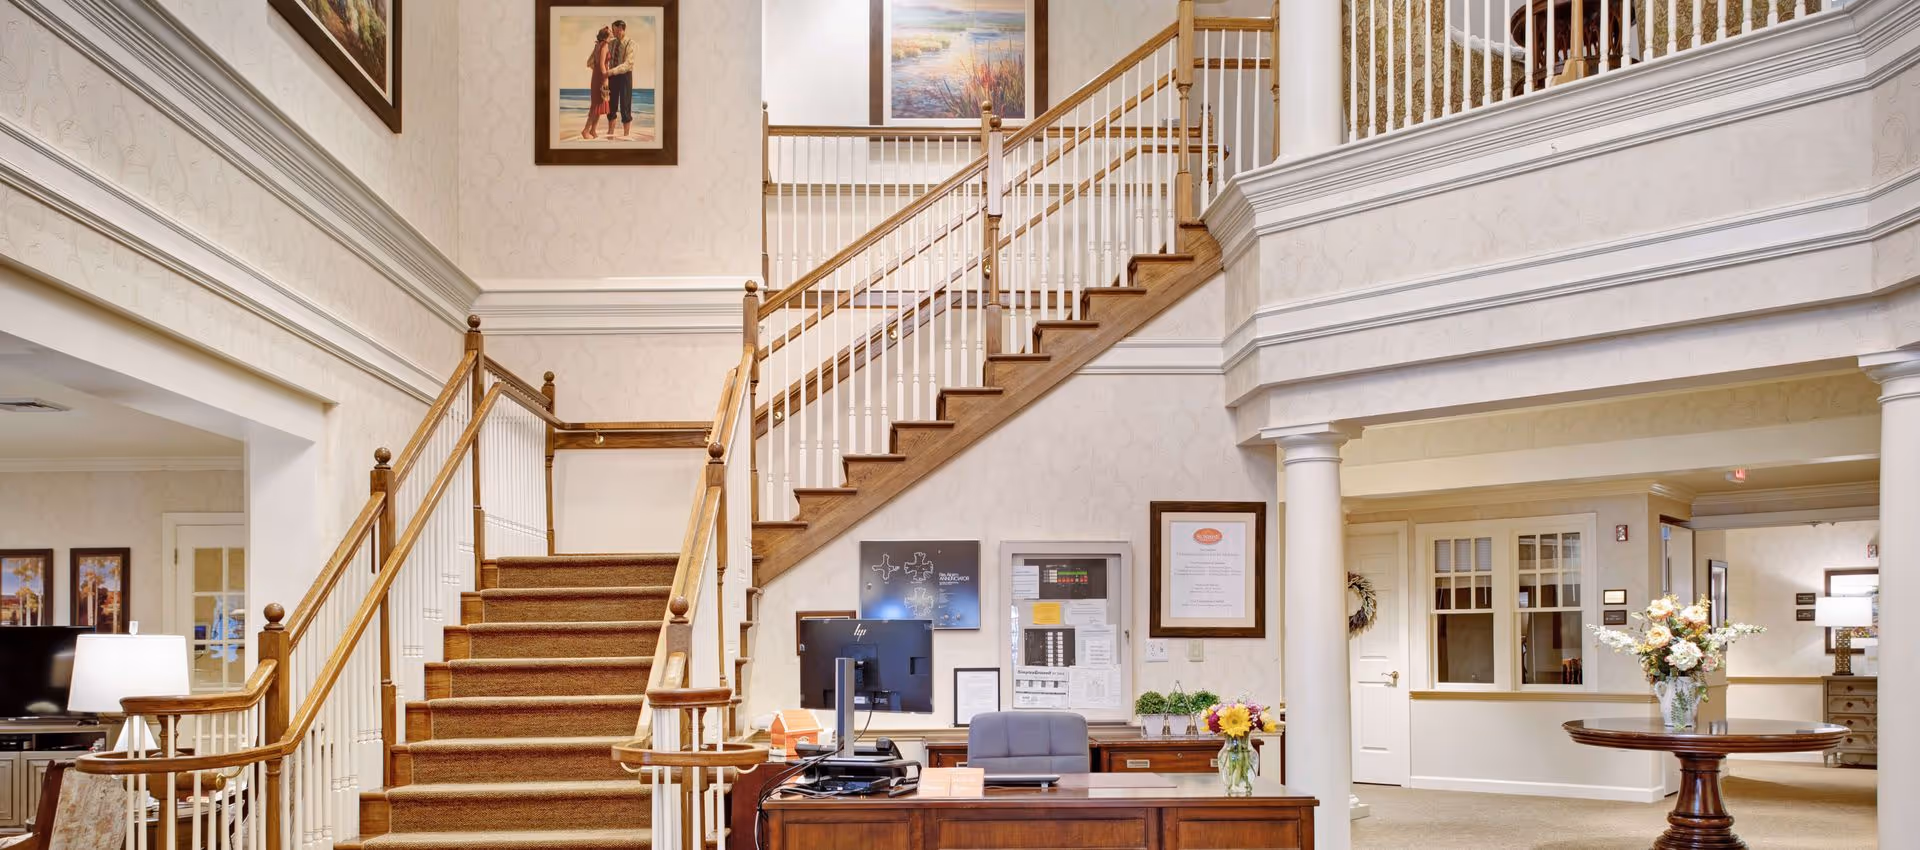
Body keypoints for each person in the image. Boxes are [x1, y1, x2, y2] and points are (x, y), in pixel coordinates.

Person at [604, 19, 635, 139]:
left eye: (615, 30)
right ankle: (610, 132)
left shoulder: (630, 43)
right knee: (611, 105)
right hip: (612, 77)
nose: (613, 32)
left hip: (625, 76)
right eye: (612, 30)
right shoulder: (611, 43)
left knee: (625, 105)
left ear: (622, 29)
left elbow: (628, 64)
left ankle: (626, 135)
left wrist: (610, 71)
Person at [582, 26, 611, 140]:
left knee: (599, 104)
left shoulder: (597, 45)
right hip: (601, 76)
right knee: (596, 105)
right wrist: (605, 78)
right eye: (610, 33)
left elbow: (592, 62)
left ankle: (593, 130)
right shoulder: (604, 45)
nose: (612, 34)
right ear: (606, 36)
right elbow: (602, 64)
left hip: (596, 75)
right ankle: (585, 131)